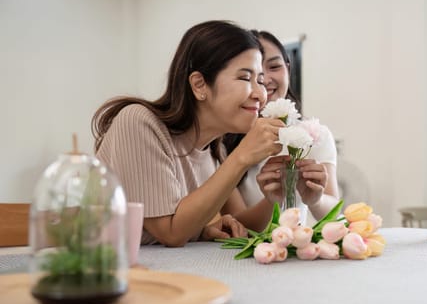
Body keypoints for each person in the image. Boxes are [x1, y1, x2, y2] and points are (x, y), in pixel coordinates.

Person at [92, 20, 285, 247]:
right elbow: (170, 233)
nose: (260, 94)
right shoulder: (138, 122)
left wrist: (275, 197)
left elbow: (242, 226)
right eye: (245, 78)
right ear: (199, 85)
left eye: (260, 80)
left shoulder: (214, 148)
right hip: (90, 268)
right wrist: (242, 156)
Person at [225, 30, 339, 224]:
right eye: (251, 72)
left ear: (288, 69)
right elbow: (236, 225)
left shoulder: (313, 133)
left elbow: (334, 213)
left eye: (274, 66)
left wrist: (315, 200)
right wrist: (272, 201)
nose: (265, 79)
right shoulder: (223, 141)